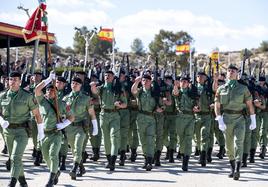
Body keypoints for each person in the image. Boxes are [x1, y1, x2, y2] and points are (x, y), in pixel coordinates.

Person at [0, 71, 42, 187]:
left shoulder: (28, 96)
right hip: (7, 131)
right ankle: (23, 181)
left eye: (15, 80)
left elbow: (37, 115)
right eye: (10, 79)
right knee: (14, 158)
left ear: (20, 82)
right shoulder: (2, 96)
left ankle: (12, 182)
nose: (12, 82)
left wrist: (41, 132)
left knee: (15, 157)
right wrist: (1, 120)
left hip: (22, 131)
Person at [214, 64, 256, 180]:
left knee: (239, 142)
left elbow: (249, 105)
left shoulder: (243, 88)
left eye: (233, 71)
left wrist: (253, 119)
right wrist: (219, 119)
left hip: (239, 119)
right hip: (226, 118)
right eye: (229, 70)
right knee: (228, 145)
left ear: (237, 74)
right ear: (226, 73)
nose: (231, 72)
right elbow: (217, 106)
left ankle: (238, 169)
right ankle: (232, 167)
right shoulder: (221, 89)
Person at [35, 72, 75, 187]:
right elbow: (37, 89)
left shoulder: (62, 104)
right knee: (46, 157)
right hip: (43, 134)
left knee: (53, 155)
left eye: (52, 90)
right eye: (48, 90)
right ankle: (55, 171)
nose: (49, 92)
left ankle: (51, 179)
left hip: (55, 134)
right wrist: (48, 79)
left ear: (57, 92)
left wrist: (64, 124)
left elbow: (72, 117)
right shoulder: (42, 101)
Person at [91, 70, 127, 171]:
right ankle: (108, 159)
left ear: (113, 77)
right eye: (105, 75)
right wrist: (93, 85)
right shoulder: (101, 88)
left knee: (114, 137)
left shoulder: (118, 88)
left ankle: (113, 161)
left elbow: (125, 104)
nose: (107, 76)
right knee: (106, 139)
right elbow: (94, 91)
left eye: (109, 75)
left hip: (114, 115)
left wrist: (120, 105)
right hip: (103, 115)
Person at [63, 77, 98, 180]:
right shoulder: (65, 99)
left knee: (78, 148)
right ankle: (81, 167)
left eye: (76, 83)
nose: (74, 85)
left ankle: (74, 169)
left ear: (80, 86)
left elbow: (91, 113)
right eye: (72, 83)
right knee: (74, 150)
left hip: (81, 127)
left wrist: (95, 127)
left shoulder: (86, 98)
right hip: (69, 128)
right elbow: (62, 114)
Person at [131, 74, 163, 171]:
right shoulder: (140, 91)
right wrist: (136, 82)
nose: (145, 82)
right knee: (143, 140)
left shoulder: (155, 92)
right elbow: (133, 91)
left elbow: (162, 105)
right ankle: (146, 158)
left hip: (151, 118)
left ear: (150, 81)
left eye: (147, 80)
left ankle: (149, 160)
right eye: (143, 80)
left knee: (150, 139)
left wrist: (160, 109)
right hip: (140, 118)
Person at [173, 77, 199, 171]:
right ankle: (183, 153)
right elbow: (175, 93)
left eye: (185, 82)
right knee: (181, 139)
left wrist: (196, 108)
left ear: (188, 83)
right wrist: (175, 86)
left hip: (190, 118)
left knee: (188, 139)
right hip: (180, 117)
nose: (183, 83)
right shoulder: (178, 92)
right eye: (182, 82)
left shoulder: (192, 93)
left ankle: (185, 162)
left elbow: (197, 104)